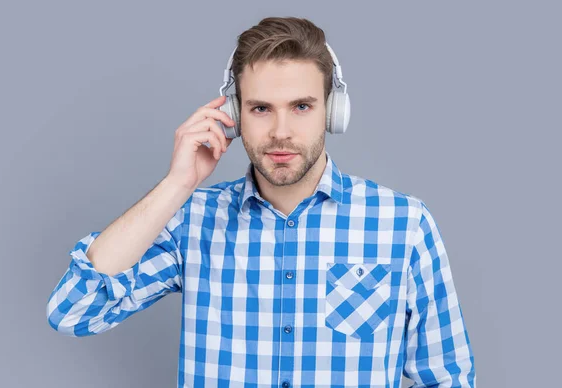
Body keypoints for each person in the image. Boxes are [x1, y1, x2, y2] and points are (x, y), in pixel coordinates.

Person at [46, 16, 476, 388]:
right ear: (233, 114)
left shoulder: (403, 224)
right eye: (260, 109)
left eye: (302, 106)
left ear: (332, 110)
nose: (281, 131)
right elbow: (74, 310)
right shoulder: (192, 221)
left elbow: (447, 377)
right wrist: (178, 184)